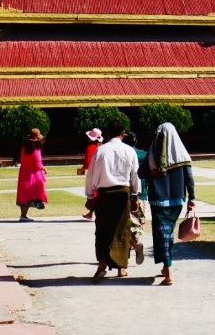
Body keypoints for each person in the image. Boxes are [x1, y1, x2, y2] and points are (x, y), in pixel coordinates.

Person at [83, 120, 140, 281]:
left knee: (102, 229)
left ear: (107, 134)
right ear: (122, 133)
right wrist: (135, 196)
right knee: (122, 229)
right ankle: (122, 268)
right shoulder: (129, 151)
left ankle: (102, 263)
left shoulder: (100, 151)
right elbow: (135, 175)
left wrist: (90, 196)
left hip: (104, 194)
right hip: (123, 193)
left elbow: (91, 175)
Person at [146, 122, 195, 286]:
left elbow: (141, 172)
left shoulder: (152, 153)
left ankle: (167, 270)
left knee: (163, 235)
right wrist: (192, 199)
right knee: (168, 234)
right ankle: (166, 266)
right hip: (177, 201)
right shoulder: (182, 155)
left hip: (158, 200)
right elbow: (189, 179)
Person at [122, 131, 148, 264]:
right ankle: (137, 242)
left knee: (124, 223)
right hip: (141, 193)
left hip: (124, 192)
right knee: (138, 221)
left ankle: (126, 251)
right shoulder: (144, 155)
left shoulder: (122, 154)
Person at [16, 129, 48, 221]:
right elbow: (38, 164)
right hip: (32, 176)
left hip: (23, 174)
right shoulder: (36, 150)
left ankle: (23, 215)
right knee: (30, 194)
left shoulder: (23, 149)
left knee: (23, 194)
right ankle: (23, 216)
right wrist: (44, 168)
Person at [79, 128, 102, 220]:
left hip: (92, 174)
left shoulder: (90, 148)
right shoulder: (101, 147)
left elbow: (87, 163)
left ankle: (91, 213)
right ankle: (91, 213)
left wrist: (81, 170)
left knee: (92, 194)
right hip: (101, 173)